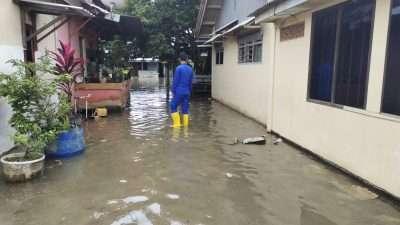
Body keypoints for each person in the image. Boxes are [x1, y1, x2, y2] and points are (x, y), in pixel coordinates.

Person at [170, 52, 194, 128]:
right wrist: (189, 91)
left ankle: (177, 126)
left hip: (179, 91)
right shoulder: (190, 69)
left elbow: (175, 81)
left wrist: (173, 91)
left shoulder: (178, 68)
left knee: (173, 105)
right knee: (185, 109)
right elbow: (190, 83)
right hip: (187, 92)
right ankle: (185, 128)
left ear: (179, 59)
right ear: (186, 59)